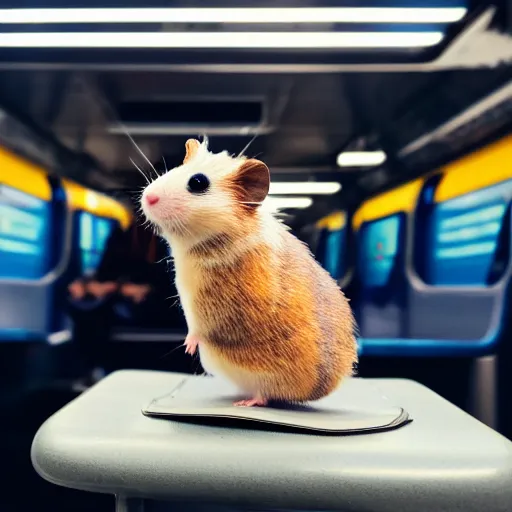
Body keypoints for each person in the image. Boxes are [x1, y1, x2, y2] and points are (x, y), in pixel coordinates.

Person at [67, 216, 180, 389]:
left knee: (98, 313)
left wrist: (124, 289)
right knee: (84, 308)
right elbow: (105, 273)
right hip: (121, 300)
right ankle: (90, 369)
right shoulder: (121, 237)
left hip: (157, 304)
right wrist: (89, 285)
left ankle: (93, 367)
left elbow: (167, 283)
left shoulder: (168, 241)